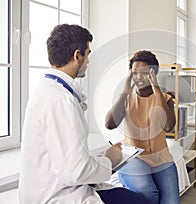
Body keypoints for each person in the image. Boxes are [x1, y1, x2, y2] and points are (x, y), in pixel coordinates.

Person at [18, 24, 145, 204]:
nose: (89, 61)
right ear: (77, 56)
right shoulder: (62, 100)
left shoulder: (48, 89)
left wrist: (100, 159)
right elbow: (75, 171)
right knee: (138, 201)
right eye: (88, 54)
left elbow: (67, 157)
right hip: (58, 195)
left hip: (56, 185)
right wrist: (110, 160)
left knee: (131, 197)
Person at [105, 50, 180, 204]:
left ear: (154, 74)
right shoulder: (127, 98)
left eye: (144, 72)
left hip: (161, 158)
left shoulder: (165, 98)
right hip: (133, 157)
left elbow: (169, 127)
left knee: (172, 201)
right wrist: (125, 92)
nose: (139, 77)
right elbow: (109, 124)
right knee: (149, 193)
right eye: (134, 72)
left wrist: (157, 90)